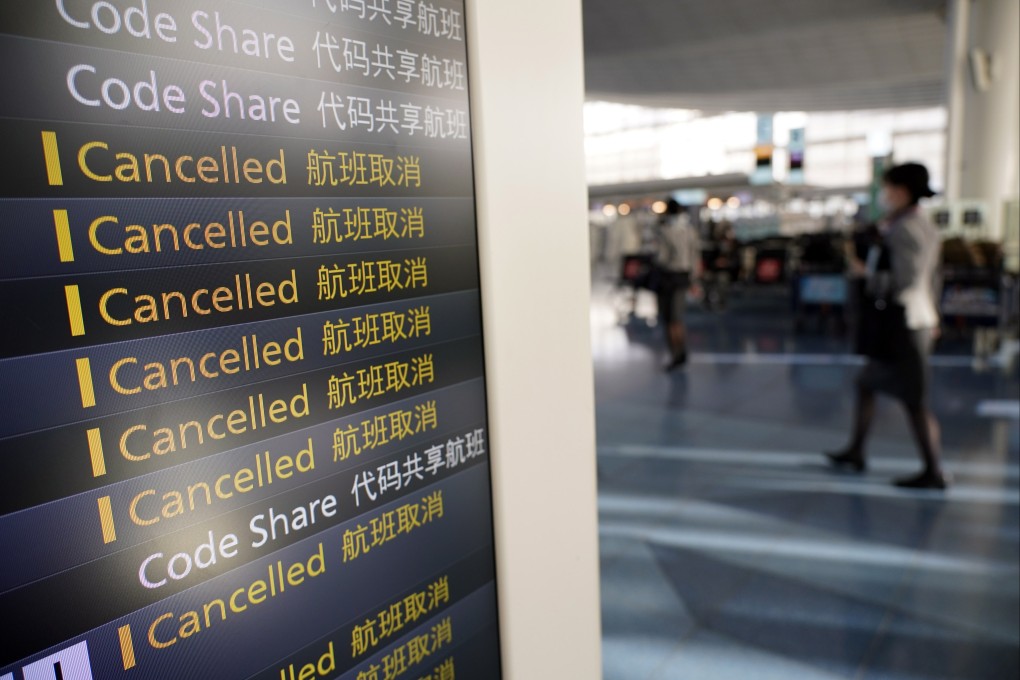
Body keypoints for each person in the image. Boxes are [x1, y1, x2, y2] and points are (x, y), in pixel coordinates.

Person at [827, 163, 948, 489]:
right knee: (868, 383)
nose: (884, 194)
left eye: (888, 187)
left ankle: (933, 471)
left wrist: (865, 274)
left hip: (905, 321)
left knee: (914, 398)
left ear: (902, 191)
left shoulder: (907, 229)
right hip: (913, 318)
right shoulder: (914, 223)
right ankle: (856, 450)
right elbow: (932, 277)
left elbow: (906, 281)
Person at [654, 199, 700, 370]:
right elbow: (695, 257)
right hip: (684, 277)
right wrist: (694, 280)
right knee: (678, 318)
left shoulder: (665, 231)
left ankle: (675, 353)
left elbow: (662, 258)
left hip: (668, 278)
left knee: (669, 319)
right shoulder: (690, 231)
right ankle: (682, 351)